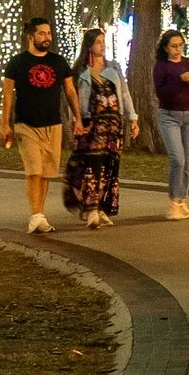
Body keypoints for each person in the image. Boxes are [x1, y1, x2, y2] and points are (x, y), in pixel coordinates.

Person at [1, 17, 81, 235]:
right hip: (26, 124)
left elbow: (71, 92)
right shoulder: (17, 63)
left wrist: (78, 119)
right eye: (42, 33)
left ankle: (39, 215)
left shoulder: (59, 62)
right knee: (33, 169)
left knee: (46, 173)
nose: (47, 37)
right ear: (31, 36)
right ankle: (35, 215)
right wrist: (5, 124)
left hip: (53, 124)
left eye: (48, 33)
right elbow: (8, 96)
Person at [66, 27, 128, 230]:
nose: (102, 46)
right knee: (93, 166)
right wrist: (79, 121)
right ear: (90, 46)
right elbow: (75, 99)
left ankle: (103, 207)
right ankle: (91, 208)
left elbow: (124, 94)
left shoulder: (113, 68)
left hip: (113, 125)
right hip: (93, 125)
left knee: (110, 167)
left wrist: (132, 118)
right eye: (98, 42)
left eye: (103, 42)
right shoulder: (82, 72)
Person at [152, 29, 189, 220]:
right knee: (178, 159)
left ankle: (183, 200)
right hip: (169, 116)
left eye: (180, 45)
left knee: (188, 163)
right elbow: (161, 93)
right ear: (166, 48)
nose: (178, 49)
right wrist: (180, 79)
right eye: (174, 46)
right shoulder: (161, 66)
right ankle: (174, 202)